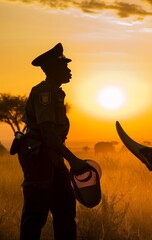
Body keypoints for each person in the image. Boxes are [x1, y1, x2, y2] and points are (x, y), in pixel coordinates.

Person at [18, 43, 88, 240]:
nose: (69, 70)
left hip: (53, 158)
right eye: (64, 67)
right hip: (41, 159)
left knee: (65, 210)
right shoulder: (45, 93)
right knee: (35, 215)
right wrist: (73, 160)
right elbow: (48, 134)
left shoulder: (55, 92)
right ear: (52, 69)